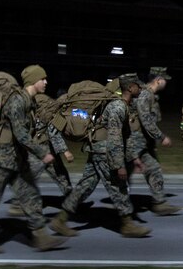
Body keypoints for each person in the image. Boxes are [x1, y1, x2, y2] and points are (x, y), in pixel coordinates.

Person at [0, 65, 69, 254]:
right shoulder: (17, 101)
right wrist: (42, 152)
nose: (46, 82)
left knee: (30, 195)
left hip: (17, 158)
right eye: (43, 79)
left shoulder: (28, 101)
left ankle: (41, 236)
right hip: (2, 159)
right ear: (33, 81)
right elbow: (20, 133)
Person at [51, 73, 150, 238]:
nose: (140, 88)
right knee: (118, 187)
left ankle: (60, 220)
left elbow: (126, 136)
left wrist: (135, 158)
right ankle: (127, 225)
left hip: (99, 149)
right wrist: (119, 165)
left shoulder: (123, 106)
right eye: (138, 86)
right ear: (130, 88)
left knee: (85, 186)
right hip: (104, 151)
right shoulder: (118, 107)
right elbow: (115, 138)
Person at [127, 66, 182, 216]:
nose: (166, 83)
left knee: (154, 169)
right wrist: (161, 137)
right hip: (133, 144)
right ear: (158, 80)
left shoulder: (150, 95)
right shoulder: (145, 95)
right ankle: (123, 210)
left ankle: (159, 203)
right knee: (124, 175)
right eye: (165, 80)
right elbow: (145, 120)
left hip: (143, 143)